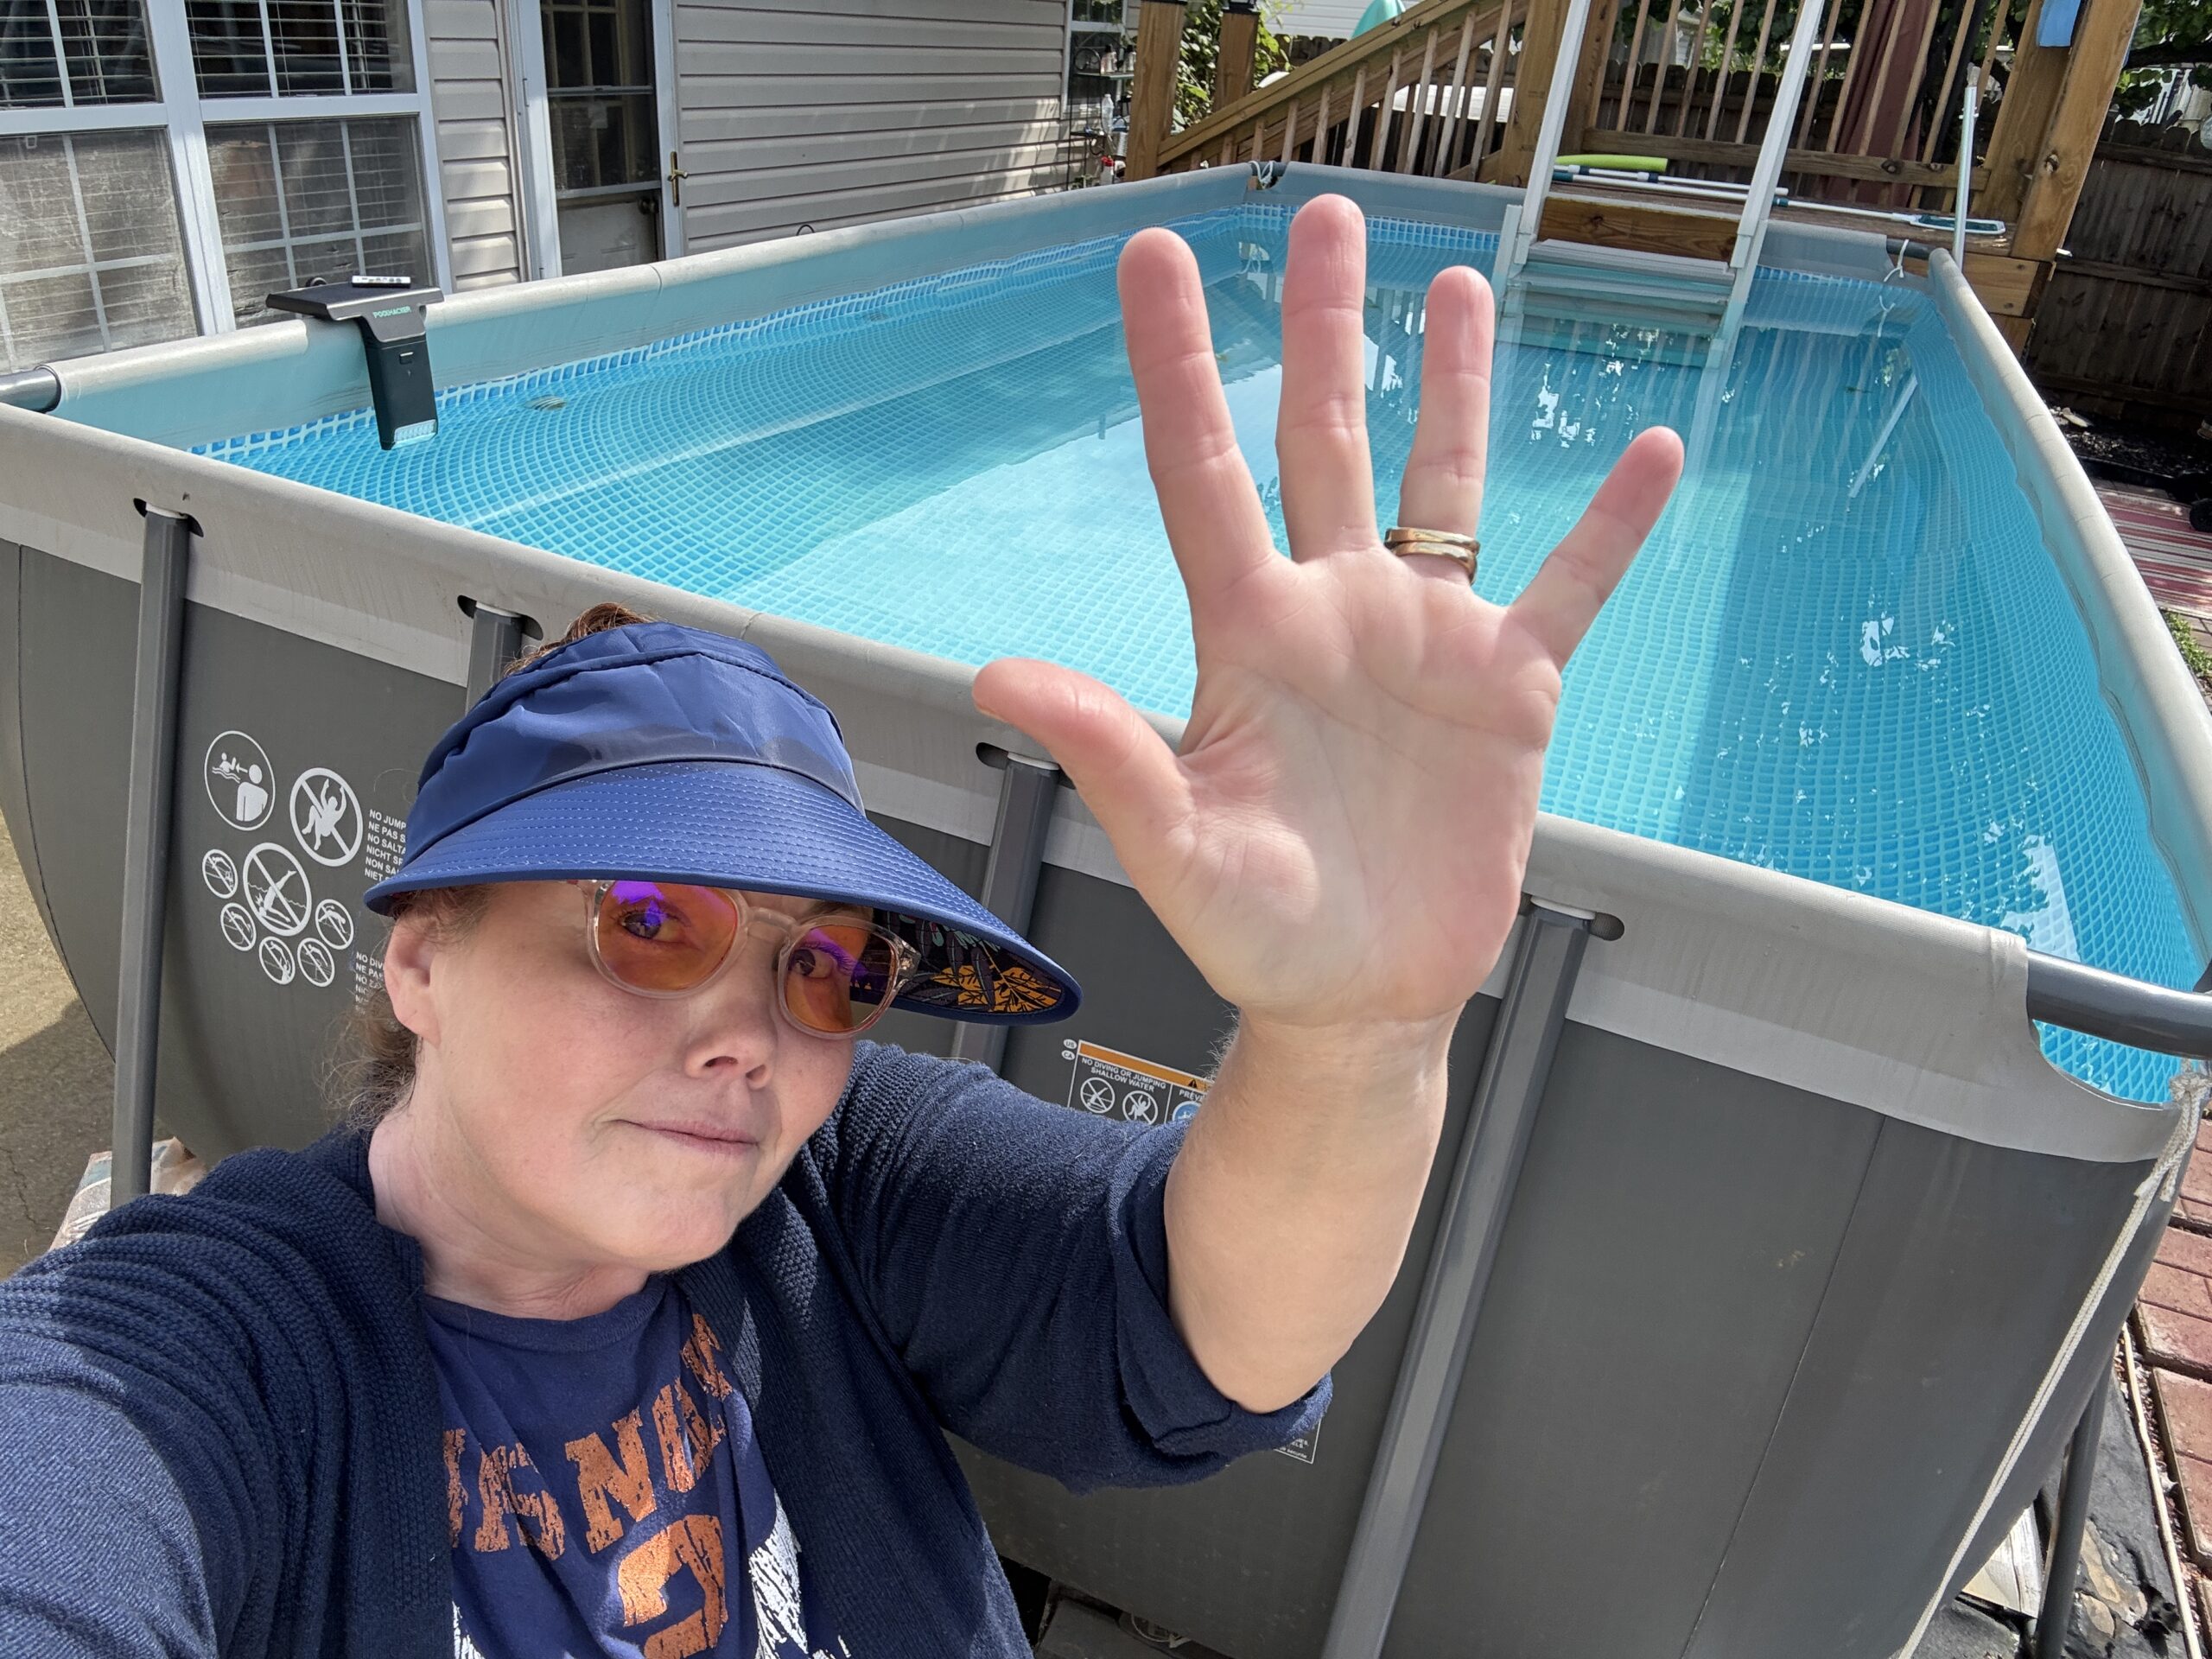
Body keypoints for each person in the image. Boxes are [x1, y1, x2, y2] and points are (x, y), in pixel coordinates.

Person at [0, 194, 1679, 1657]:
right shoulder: (208, 1357)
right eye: (649, 919)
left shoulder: (830, 1182)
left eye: (830, 967)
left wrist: (1354, 1036)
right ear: (423, 956)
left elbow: (1199, 1334)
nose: (753, 1034)